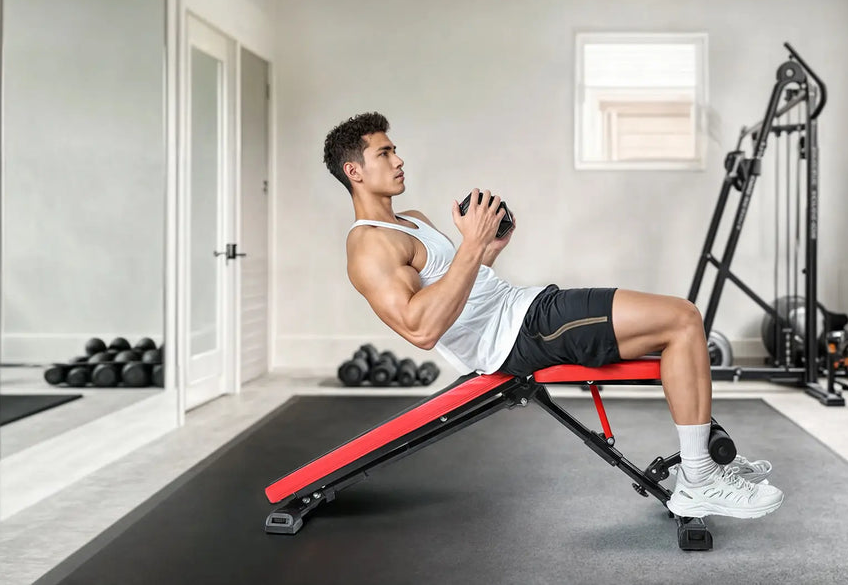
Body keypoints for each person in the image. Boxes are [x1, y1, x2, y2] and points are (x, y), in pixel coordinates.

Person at [323, 112, 784, 520]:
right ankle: (700, 480)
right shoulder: (368, 245)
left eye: (395, 149)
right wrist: (469, 245)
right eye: (384, 153)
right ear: (354, 171)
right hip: (521, 333)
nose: (399, 159)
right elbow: (420, 328)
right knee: (682, 320)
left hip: (525, 312)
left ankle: (700, 459)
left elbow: (458, 292)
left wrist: (486, 251)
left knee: (681, 326)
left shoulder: (413, 219)